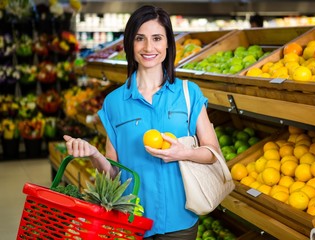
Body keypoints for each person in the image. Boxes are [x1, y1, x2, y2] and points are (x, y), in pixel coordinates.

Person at [63, 5, 221, 239]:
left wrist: (182, 153)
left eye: (157, 38)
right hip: (130, 221)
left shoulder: (189, 93)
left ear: (168, 44)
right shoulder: (114, 102)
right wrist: (95, 155)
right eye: (140, 39)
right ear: (130, 44)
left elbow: (212, 152)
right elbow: (113, 174)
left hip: (180, 221)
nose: (149, 47)